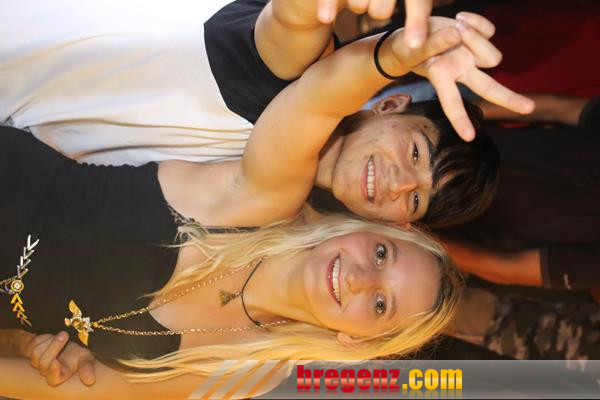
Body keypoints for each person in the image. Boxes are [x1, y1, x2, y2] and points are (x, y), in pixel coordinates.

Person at [0, 15, 485, 397]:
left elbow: (69, 391)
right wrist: (392, 53)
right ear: (366, 229)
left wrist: (44, 357)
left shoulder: (242, 371)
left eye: (380, 305)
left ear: (358, 340)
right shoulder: (266, 203)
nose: (361, 278)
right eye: (381, 254)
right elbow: (314, 99)